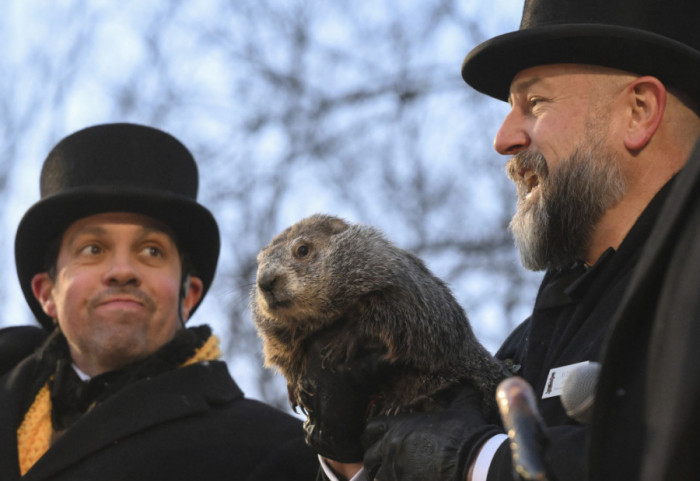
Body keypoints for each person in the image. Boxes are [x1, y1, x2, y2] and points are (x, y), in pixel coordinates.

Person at [315, 0, 700, 480]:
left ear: (639, 111)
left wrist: (478, 463)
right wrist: (352, 453)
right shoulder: (531, 339)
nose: (503, 137)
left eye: (535, 103)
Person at [0, 123, 319, 480]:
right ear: (46, 293)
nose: (122, 271)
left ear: (190, 295)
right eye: (93, 249)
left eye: (151, 251)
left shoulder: (275, 449)